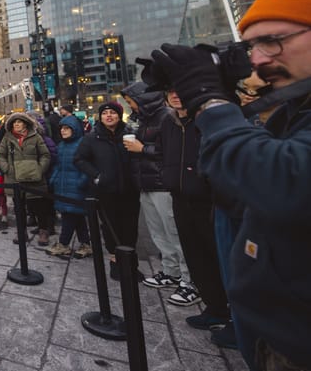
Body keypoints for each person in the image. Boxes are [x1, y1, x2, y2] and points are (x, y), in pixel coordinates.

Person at [149, 0, 311, 371]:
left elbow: (282, 183)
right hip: (276, 339)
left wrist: (211, 100)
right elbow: (235, 177)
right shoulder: (291, 112)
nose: (258, 58)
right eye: (252, 46)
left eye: (274, 40)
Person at [158, 89, 232, 345]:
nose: (177, 95)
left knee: (221, 257)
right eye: (170, 92)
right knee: (196, 256)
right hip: (180, 197)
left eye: (181, 90)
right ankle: (215, 308)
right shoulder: (168, 123)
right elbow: (162, 153)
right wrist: (166, 175)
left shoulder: (203, 120)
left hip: (209, 200)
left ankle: (235, 319)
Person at [121, 82, 194, 304]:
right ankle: (170, 271)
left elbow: (172, 152)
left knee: (175, 232)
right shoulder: (142, 119)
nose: (130, 105)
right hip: (146, 182)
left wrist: (142, 149)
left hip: (163, 184)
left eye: (131, 101)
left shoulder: (166, 117)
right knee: (158, 232)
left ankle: (190, 280)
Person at [74, 101, 140, 280]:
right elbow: (80, 159)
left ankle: (131, 264)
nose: (109, 116)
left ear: (119, 115)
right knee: (111, 227)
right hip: (105, 190)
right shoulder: (92, 137)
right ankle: (115, 262)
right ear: (100, 117)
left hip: (129, 189)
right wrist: (96, 176)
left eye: (112, 112)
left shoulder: (130, 134)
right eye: (105, 113)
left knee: (131, 227)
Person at [0, 113, 52, 245]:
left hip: (34, 178)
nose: (16, 124)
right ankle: (21, 231)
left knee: (38, 207)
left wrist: (40, 169)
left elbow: (45, 155)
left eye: (19, 122)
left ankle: (43, 231)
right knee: (19, 208)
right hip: (15, 178)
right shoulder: (7, 138)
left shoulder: (35, 137)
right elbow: (0, 155)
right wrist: (7, 169)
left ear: (25, 123)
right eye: (14, 122)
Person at [47, 115, 92, 258]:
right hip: (63, 186)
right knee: (76, 216)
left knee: (69, 216)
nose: (63, 131)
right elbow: (58, 166)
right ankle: (86, 244)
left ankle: (63, 244)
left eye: (67, 128)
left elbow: (88, 167)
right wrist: (54, 179)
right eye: (62, 128)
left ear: (75, 129)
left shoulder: (83, 144)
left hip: (76, 187)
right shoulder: (61, 145)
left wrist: (81, 182)